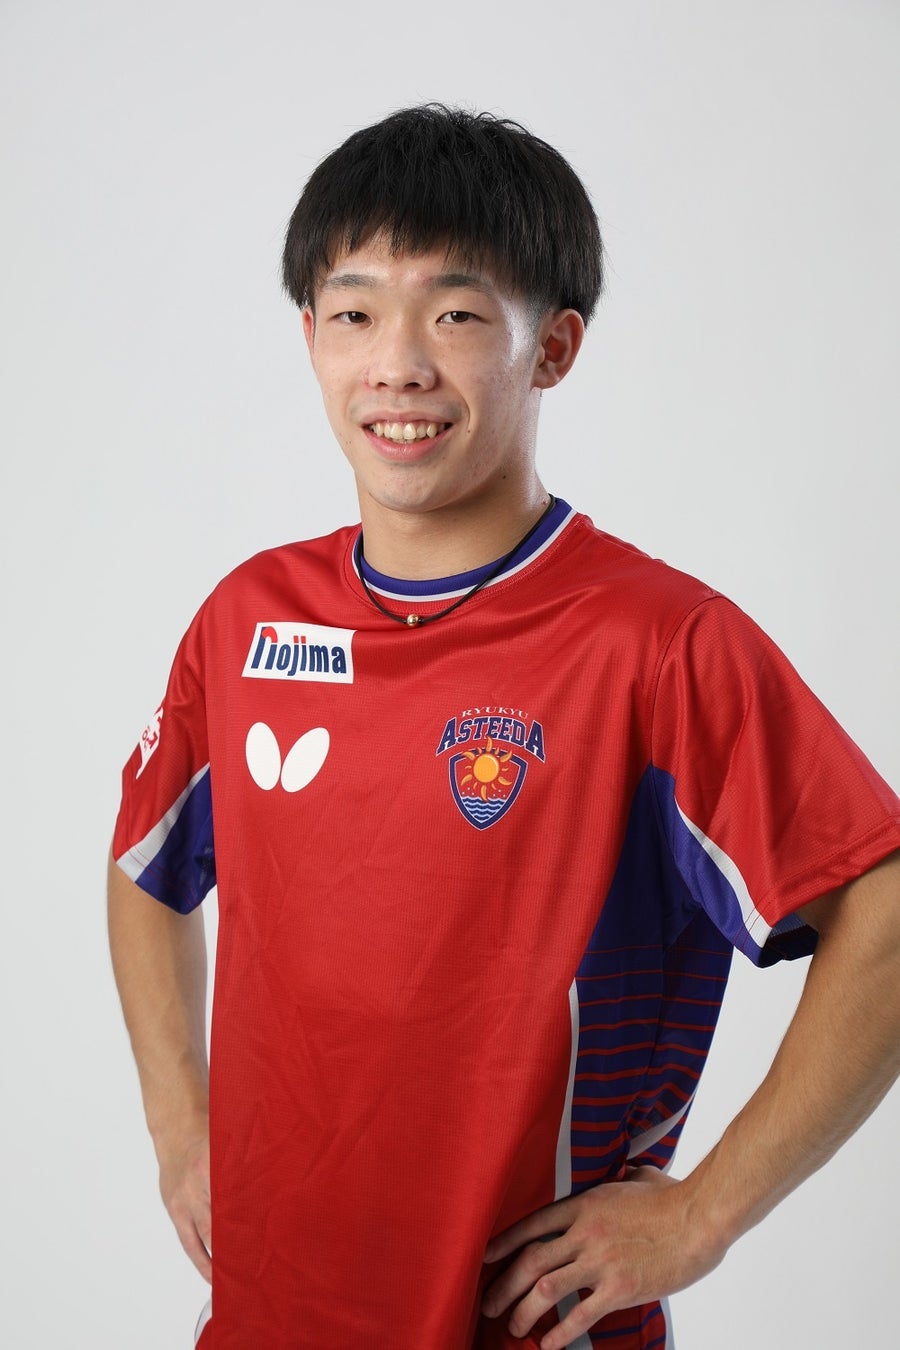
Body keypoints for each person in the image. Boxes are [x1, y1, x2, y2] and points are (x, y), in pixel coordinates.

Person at [108, 105, 900, 1350]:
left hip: (528, 1327)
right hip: (265, 1313)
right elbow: (147, 869)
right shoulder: (247, 619)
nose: (397, 365)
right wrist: (179, 1126)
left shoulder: (657, 645)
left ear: (554, 348)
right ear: (310, 337)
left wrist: (702, 1218)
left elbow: (885, 914)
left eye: (457, 315)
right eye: (354, 313)